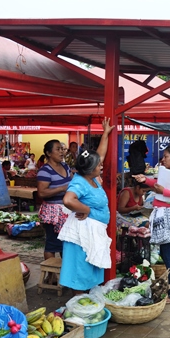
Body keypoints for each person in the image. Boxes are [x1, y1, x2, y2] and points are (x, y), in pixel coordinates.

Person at [59, 119, 114, 294]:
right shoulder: (80, 183)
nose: (101, 165)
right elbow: (68, 200)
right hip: (82, 236)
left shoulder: (92, 176)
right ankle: (79, 307)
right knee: (81, 274)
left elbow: (100, 155)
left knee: (90, 273)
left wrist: (105, 134)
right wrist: (87, 210)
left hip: (94, 232)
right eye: (99, 165)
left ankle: (87, 304)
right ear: (91, 169)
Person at [132, 144, 170, 304]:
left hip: (168, 217)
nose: (163, 159)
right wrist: (146, 180)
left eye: (166, 156)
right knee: (168, 256)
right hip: (165, 216)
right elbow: (159, 184)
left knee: (169, 257)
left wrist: (163, 192)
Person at [37, 139, 72, 260]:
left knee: (66, 243)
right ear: (48, 153)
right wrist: (61, 188)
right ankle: (50, 276)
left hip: (67, 211)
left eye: (62, 149)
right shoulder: (45, 171)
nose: (61, 152)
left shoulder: (65, 166)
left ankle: (64, 272)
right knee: (52, 244)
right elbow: (42, 192)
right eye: (58, 149)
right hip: (52, 214)